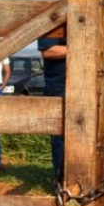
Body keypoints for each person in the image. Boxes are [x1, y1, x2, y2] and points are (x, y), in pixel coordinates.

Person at [38, 36, 67, 183]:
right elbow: (48, 51)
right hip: (60, 87)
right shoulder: (52, 22)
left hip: (86, 85)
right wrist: (83, 48)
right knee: (60, 138)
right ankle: (61, 181)